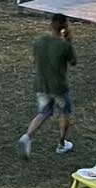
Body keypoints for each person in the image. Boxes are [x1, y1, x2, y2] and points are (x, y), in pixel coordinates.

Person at [19, 14, 77, 157]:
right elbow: (73, 62)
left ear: (51, 25)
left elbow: (35, 58)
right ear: (65, 27)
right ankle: (61, 144)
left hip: (42, 85)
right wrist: (69, 41)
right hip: (59, 87)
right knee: (64, 113)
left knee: (43, 113)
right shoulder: (64, 45)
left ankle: (27, 137)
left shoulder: (39, 41)